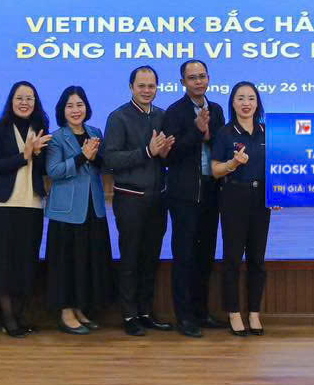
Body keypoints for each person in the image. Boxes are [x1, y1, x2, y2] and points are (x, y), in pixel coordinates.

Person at [103, 65, 175, 335]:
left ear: (157, 88)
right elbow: (111, 159)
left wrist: (165, 154)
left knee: (150, 258)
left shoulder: (162, 116)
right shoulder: (118, 117)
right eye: (141, 85)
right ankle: (129, 315)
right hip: (130, 198)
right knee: (130, 258)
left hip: (158, 198)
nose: (146, 90)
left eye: (151, 86)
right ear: (131, 87)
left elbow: (165, 157)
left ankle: (145, 312)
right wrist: (147, 151)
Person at [160, 59, 227, 337]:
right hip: (184, 195)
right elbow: (170, 156)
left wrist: (209, 134)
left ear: (209, 78)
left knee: (205, 255)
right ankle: (185, 317)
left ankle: (201, 312)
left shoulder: (218, 109)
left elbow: (221, 146)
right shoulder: (174, 112)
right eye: (192, 78)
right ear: (182, 83)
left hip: (212, 191)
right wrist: (196, 131)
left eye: (202, 76)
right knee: (185, 255)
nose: (198, 82)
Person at [0, 80, 51, 337]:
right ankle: (8, 319)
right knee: (3, 262)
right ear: (11, 101)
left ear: (35, 103)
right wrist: (25, 154)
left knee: (26, 261)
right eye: (19, 98)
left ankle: (20, 316)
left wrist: (39, 153)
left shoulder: (41, 129)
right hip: (3, 203)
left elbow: (43, 169)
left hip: (31, 203)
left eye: (29, 98)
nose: (24, 103)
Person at [44, 86, 113, 335]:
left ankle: (79, 309)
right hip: (66, 210)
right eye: (70, 106)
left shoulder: (95, 133)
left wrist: (94, 157)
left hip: (93, 207)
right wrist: (82, 157)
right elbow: (53, 171)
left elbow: (104, 166)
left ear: (86, 107)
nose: (76, 110)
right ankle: (65, 313)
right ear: (62, 110)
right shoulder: (56, 137)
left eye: (80, 105)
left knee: (85, 262)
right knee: (66, 264)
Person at [213, 81, 273, 336]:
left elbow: (278, 167)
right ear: (233, 103)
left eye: (251, 98)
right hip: (234, 197)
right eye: (240, 98)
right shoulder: (225, 133)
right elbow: (215, 170)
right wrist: (233, 164)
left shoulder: (267, 131)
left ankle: (254, 313)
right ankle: (234, 313)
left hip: (261, 199)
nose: (246, 103)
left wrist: (278, 192)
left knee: (257, 259)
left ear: (257, 103)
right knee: (233, 258)